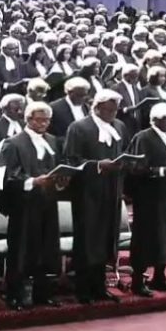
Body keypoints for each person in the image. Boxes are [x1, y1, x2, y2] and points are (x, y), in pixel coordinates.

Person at [0, 101, 68, 310]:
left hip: (47, 202)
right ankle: (15, 295)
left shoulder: (53, 141)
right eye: (40, 120)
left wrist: (61, 180)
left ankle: (42, 293)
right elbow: (8, 175)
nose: (44, 124)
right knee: (21, 250)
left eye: (47, 120)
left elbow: (57, 166)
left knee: (46, 248)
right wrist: (32, 182)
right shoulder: (13, 143)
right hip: (24, 206)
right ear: (28, 119)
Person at [62, 89, 127, 304]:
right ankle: (83, 289)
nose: (112, 114)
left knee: (106, 238)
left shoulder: (119, 126)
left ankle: (100, 286)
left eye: (115, 110)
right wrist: (97, 165)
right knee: (88, 239)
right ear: (97, 108)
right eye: (108, 110)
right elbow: (71, 160)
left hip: (112, 190)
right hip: (87, 193)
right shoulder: (78, 128)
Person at [124, 103, 166, 296]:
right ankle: (137, 280)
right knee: (146, 236)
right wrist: (161, 171)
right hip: (150, 196)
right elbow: (135, 168)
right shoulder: (143, 137)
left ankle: (160, 276)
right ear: (156, 119)